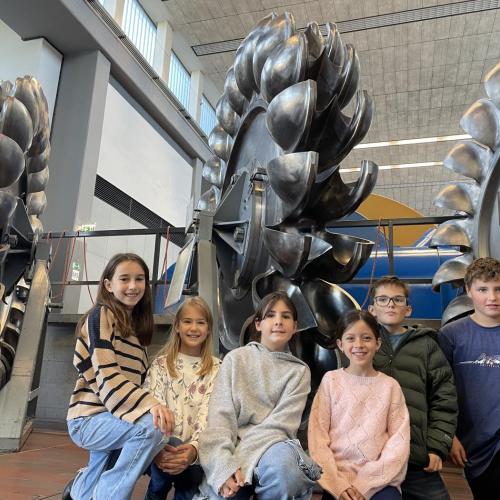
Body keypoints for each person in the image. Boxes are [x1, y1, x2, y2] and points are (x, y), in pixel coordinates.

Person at [66, 253, 174, 500]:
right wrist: (151, 404)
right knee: (151, 428)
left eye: (140, 279)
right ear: (108, 285)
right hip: (88, 419)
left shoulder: (136, 335)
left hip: (113, 415)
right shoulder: (101, 315)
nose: (133, 286)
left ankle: (79, 490)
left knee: (98, 472)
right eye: (124, 279)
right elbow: (106, 375)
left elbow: (136, 383)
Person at [196, 291, 321, 500]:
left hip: (272, 447)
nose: (278, 321)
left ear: (295, 327)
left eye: (286, 316)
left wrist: (242, 463)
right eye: (270, 315)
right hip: (232, 446)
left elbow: (279, 427)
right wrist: (224, 467)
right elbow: (220, 420)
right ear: (258, 324)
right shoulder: (235, 360)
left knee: (288, 472)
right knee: (225, 490)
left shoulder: (299, 372)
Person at [368, 276, 457, 500]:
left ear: (408, 309)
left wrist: (436, 447)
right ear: (372, 309)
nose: (391, 305)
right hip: (371, 456)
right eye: (383, 299)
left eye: (398, 300)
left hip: (415, 457)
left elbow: (444, 399)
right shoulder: (362, 344)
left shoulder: (427, 345)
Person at [309, 309, 410, 500]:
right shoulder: (330, 381)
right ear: (340, 344)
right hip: (338, 482)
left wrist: (365, 484)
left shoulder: (390, 386)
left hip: (380, 482)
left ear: (377, 343)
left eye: (366, 338)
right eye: (350, 338)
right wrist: (337, 484)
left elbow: (399, 443)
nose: (359, 345)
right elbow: (317, 439)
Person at [143, 297, 221, 500]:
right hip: (161, 448)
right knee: (161, 476)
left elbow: (209, 414)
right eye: (187, 321)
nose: (194, 328)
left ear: (209, 329)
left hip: (196, 452)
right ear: (177, 326)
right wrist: (160, 449)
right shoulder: (160, 365)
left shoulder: (217, 369)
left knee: (188, 486)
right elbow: (153, 406)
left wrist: (194, 449)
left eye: (200, 322)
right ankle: (154, 493)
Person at [438, 257, 500, 500]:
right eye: (483, 289)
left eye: (498, 289)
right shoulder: (451, 335)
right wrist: (449, 437)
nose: (492, 297)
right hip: (476, 446)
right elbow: (440, 391)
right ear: (468, 290)